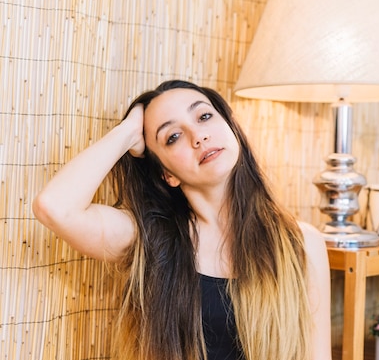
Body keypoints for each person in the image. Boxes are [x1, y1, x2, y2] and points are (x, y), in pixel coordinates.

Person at [32, 80, 332, 360]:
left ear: (230, 127)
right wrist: (126, 132)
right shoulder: (149, 239)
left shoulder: (302, 243)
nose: (198, 136)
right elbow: (55, 207)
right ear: (168, 175)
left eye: (204, 117)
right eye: (173, 137)